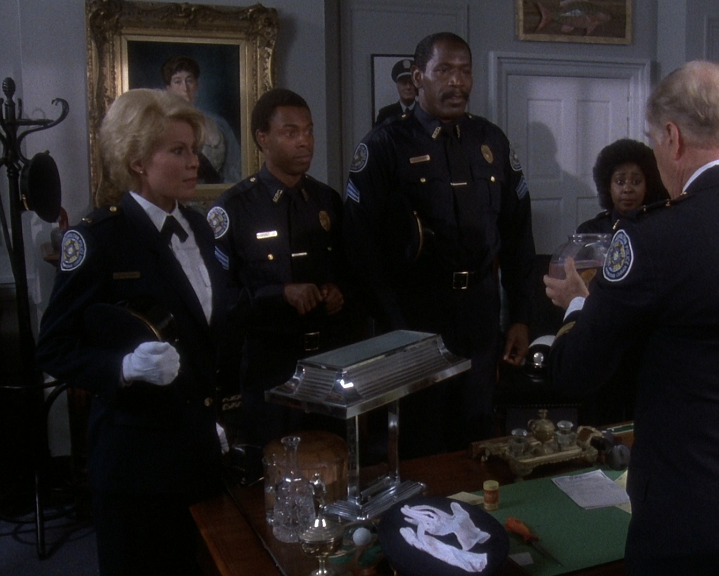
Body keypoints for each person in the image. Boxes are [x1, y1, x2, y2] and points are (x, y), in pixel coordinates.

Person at [543, 61, 719, 575]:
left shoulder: (652, 238)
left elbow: (575, 371)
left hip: (697, 524)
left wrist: (579, 303)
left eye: (654, 140)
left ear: (672, 138)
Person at [36, 89, 227, 576]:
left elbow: (210, 336)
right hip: (136, 466)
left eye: (194, 149)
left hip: (201, 453)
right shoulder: (99, 237)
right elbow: (53, 347)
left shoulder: (202, 229)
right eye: (178, 151)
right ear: (138, 161)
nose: (195, 162)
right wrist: (120, 367)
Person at [344, 32, 535, 457]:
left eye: (465, 71)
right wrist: (395, 329)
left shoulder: (491, 141)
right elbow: (360, 250)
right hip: (416, 316)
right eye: (444, 70)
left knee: (477, 434)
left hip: (480, 314)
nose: (457, 82)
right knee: (421, 441)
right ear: (418, 78)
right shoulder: (385, 145)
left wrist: (521, 316)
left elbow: (518, 234)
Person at [209, 88, 355, 447]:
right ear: (263, 138)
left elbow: (350, 271)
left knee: (331, 458)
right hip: (270, 368)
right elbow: (219, 298)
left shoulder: (326, 200)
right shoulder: (234, 209)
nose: (304, 141)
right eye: (291, 133)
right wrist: (279, 294)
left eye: (309, 131)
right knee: (274, 464)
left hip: (327, 363)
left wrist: (339, 291)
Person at [162, 55, 242, 184]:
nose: (185, 88)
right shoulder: (160, 125)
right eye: (178, 82)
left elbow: (235, 167)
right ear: (169, 88)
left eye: (189, 81)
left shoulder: (219, 124)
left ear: (197, 85)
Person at [576, 138, 669, 235]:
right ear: (608, 186)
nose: (627, 189)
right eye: (620, 182)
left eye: (636, 182)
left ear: (647, 186)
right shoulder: (591, 231)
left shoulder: (659, 229)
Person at [374, 58, 418, 126]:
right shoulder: (385, 114)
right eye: (404, 83)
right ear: (398, 86)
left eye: (411, 83)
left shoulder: (426, 113)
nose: (408, 87)